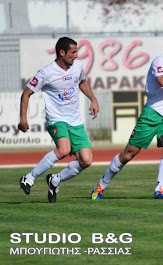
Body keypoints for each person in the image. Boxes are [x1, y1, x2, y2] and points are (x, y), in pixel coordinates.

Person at [91, 35, 163, 200]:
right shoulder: (159, 62)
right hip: (152, 115)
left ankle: (160, 189)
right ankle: (101, 184)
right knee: (128, 154)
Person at [19, 37, 99, 203]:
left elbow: (82, 82)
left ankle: (55, 180)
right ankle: (29, 177)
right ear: (62, 52)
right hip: (56, 119)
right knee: (63, 149)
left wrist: (93, 99)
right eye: (73, 52)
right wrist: (23, 120)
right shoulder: (46, 73)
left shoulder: (77, 67)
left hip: (75, 120)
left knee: (86, 160)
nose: (76, 56)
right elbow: (26, 93)